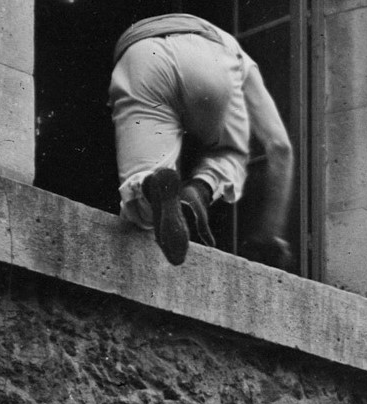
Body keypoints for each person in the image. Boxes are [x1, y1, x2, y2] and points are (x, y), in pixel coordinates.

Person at [105, 13, 293, 268]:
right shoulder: (236, 51)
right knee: (231, 154)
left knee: (140, 199)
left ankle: (152, 186)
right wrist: (269, 235)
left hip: (140, 54)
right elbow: (280, 146)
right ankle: (201, 189)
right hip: (213, 56)